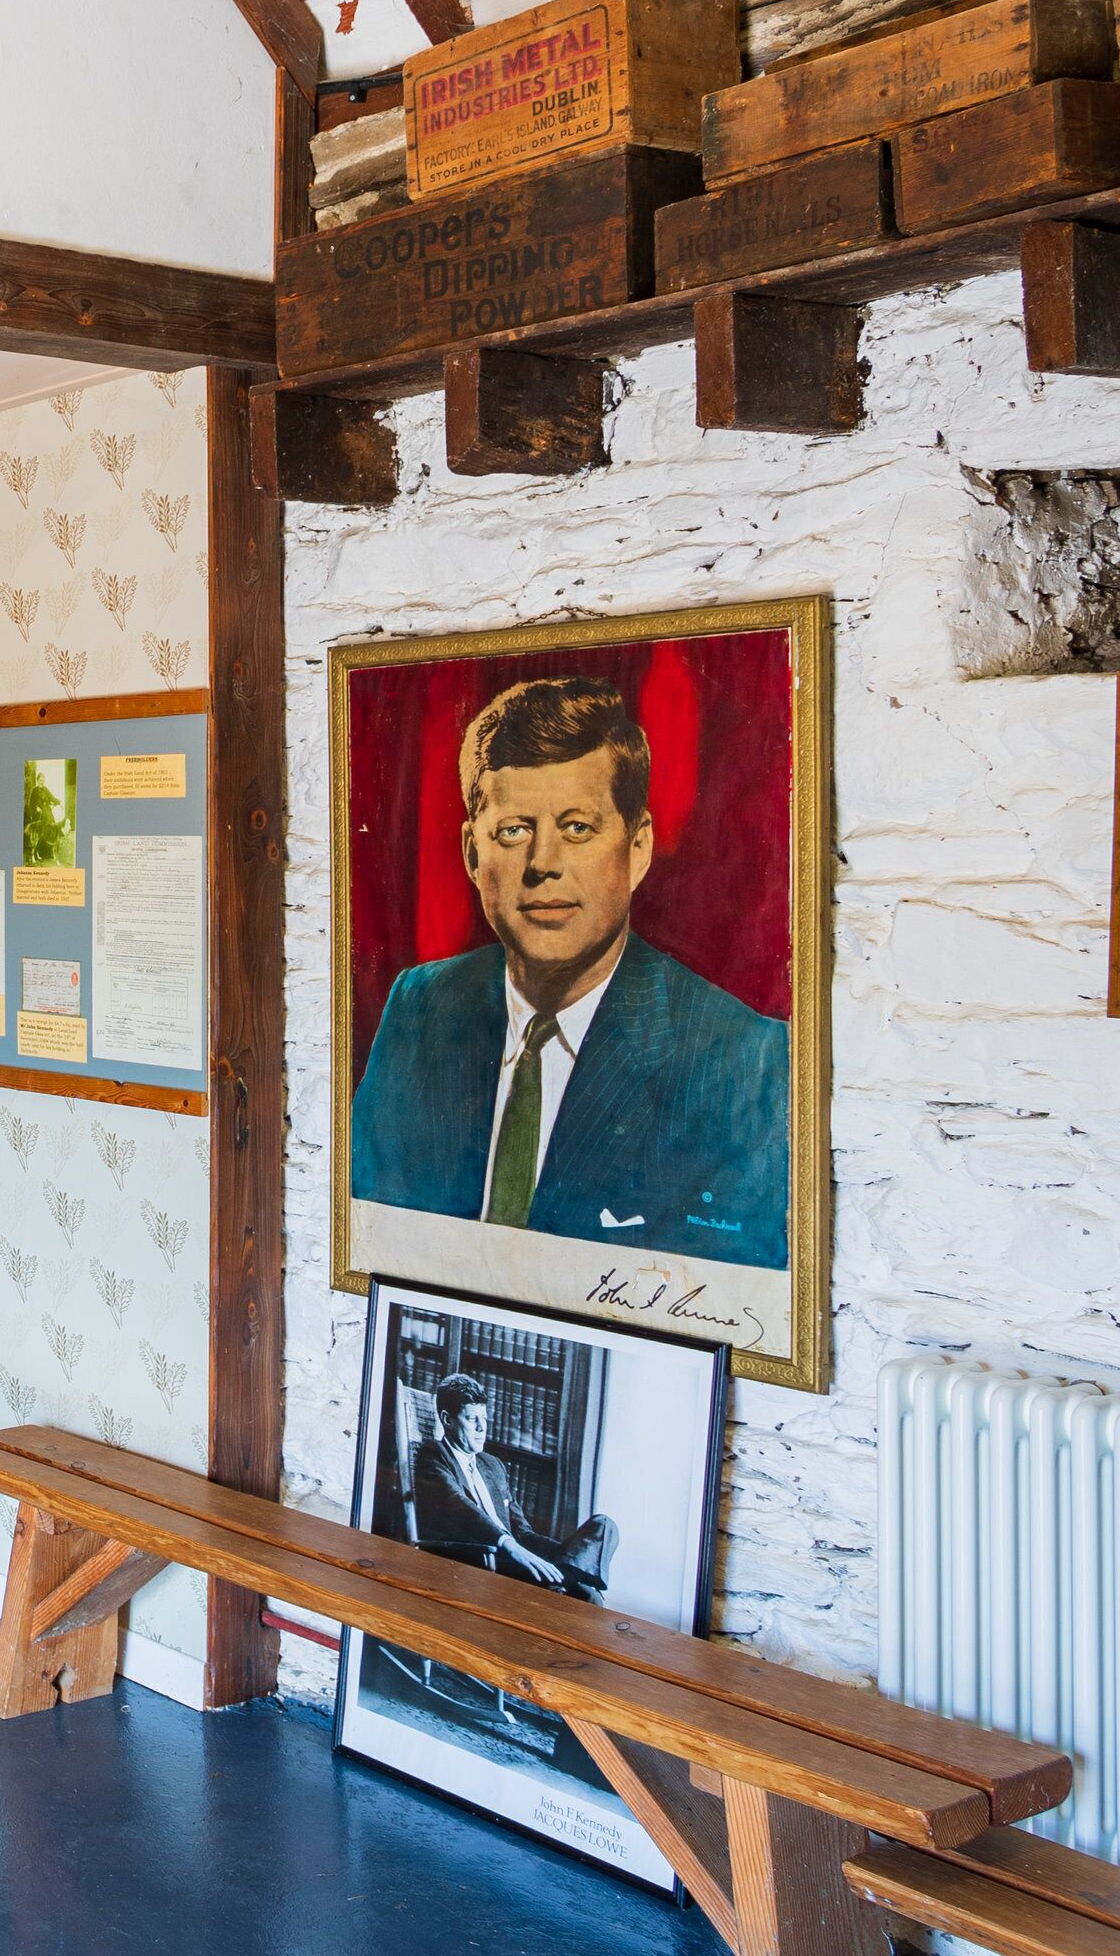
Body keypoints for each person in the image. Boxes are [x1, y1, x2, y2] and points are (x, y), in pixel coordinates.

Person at [348, 675, 790, 1269]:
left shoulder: (741, 1057)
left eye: (577, 827)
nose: (542, 864)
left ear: (637, 849)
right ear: (472, 854)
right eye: (514, 830)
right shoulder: (422, 1006)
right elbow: (371, 1234)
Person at [406, 1375, 614, 1600]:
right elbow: (459, 1506)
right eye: (471, 1418)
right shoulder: (434, 1455)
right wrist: (509, 1545)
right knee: (586, 1594)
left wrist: (560, 1553)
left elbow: (522, 1531)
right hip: (482, 1560)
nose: (481, 1427)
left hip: (515, 1558)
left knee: (603, 1527)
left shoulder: (493, 1466)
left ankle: (565, 1574)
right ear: (448, 1420)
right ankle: (566, 1576)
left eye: (484, 1417)